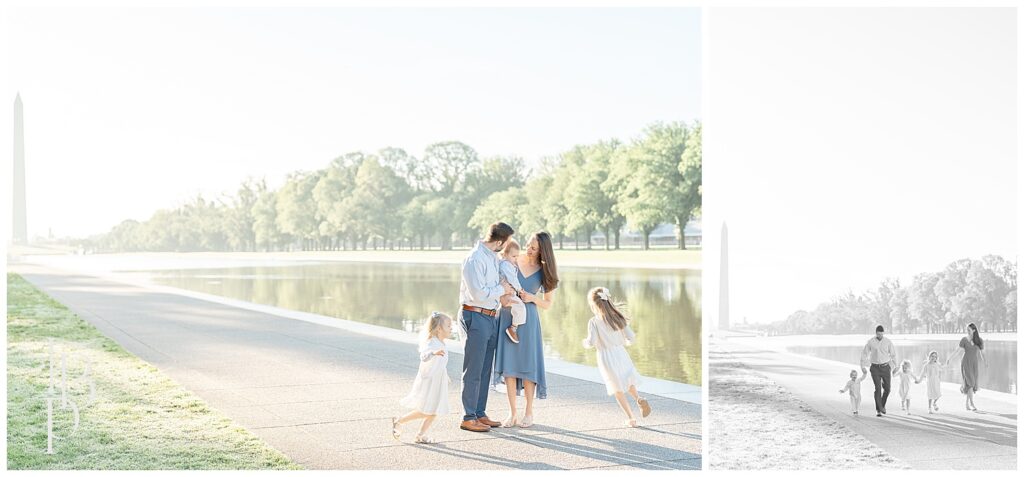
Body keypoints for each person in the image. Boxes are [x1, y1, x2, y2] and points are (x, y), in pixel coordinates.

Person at [494, 231, 559, 428]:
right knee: (509, 365)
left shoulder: (545, 271)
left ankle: (528, 412)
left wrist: (532, 298)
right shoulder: (512, 260)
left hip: (529, 320)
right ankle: (512, 413)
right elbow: (497, 282)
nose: (528, 249)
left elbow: (548, 304)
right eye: (528, 244)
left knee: (529, 366)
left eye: (533, 247)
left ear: (543, 251)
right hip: (507, 316)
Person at [458, 222, 515, 432]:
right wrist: (501, 288)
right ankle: (468, 416)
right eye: (506, 243)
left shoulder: (493, 257)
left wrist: (503, 290)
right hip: (475, 314)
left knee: (484, 369)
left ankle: (479, 413)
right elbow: (478, 294)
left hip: (491, 316)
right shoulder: (474, 259)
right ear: (499, 241)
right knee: (473, 368)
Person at [582, 286, 651, 428]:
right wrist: (623, 342)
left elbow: (592, 341)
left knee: (617, 389)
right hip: (621, 354)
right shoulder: (618, 317)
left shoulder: (594, 322)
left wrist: (585, 343)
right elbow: (631, 337)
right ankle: (639, 399)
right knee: (627, 380)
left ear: (594, 305)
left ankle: (631, 419)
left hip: (606, 357)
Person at [392, 311, 453, 444]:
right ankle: (399, 421)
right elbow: (424, 356)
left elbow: (440, 363)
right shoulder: (432, 342)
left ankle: (420, 434)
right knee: (427, 410)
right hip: (429, 381)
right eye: (448, 325)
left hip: (438, 380)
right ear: (439, 328)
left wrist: (445, 375)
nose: (451, 328)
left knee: (433, 411)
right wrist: (433, 352)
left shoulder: (442, 342)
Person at [946, 322, 986, 411]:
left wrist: (985, 362)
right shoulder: (964, 340)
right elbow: (957, 351)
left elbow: (982, 353)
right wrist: (949, 358)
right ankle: (972, 404)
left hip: (974, 364)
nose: (967, 331)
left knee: (970, 384)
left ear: (974, 330)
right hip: (966, 363)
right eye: (966, 330)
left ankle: (967, 404)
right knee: (971, 383)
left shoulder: (979, 340)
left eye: (969, 330)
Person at [860, 325, 898, 417]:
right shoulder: (871, 342)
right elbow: (864, 354)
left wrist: (895, 366)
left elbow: (893, 355)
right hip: (875, 368)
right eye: (878, 334)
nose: (880, 335)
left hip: (886, 367)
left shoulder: (888, 342)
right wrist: (862, 366)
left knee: (887, 389)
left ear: (883, 333)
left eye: (881, 334)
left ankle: (882, 406)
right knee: (878, 388)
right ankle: (879, 409)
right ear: (876, 333)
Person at [498, 239, 528, 344]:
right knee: (520, 306)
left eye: (517, 256)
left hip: (506, 291)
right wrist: (520, 289)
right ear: (505, 254)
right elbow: (512, 279)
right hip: (506, 292)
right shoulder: (506, 265)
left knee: (517, 306)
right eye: (513, 256)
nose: (516, 259)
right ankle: (513, 328)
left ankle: (513, 326)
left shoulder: (507, 264)